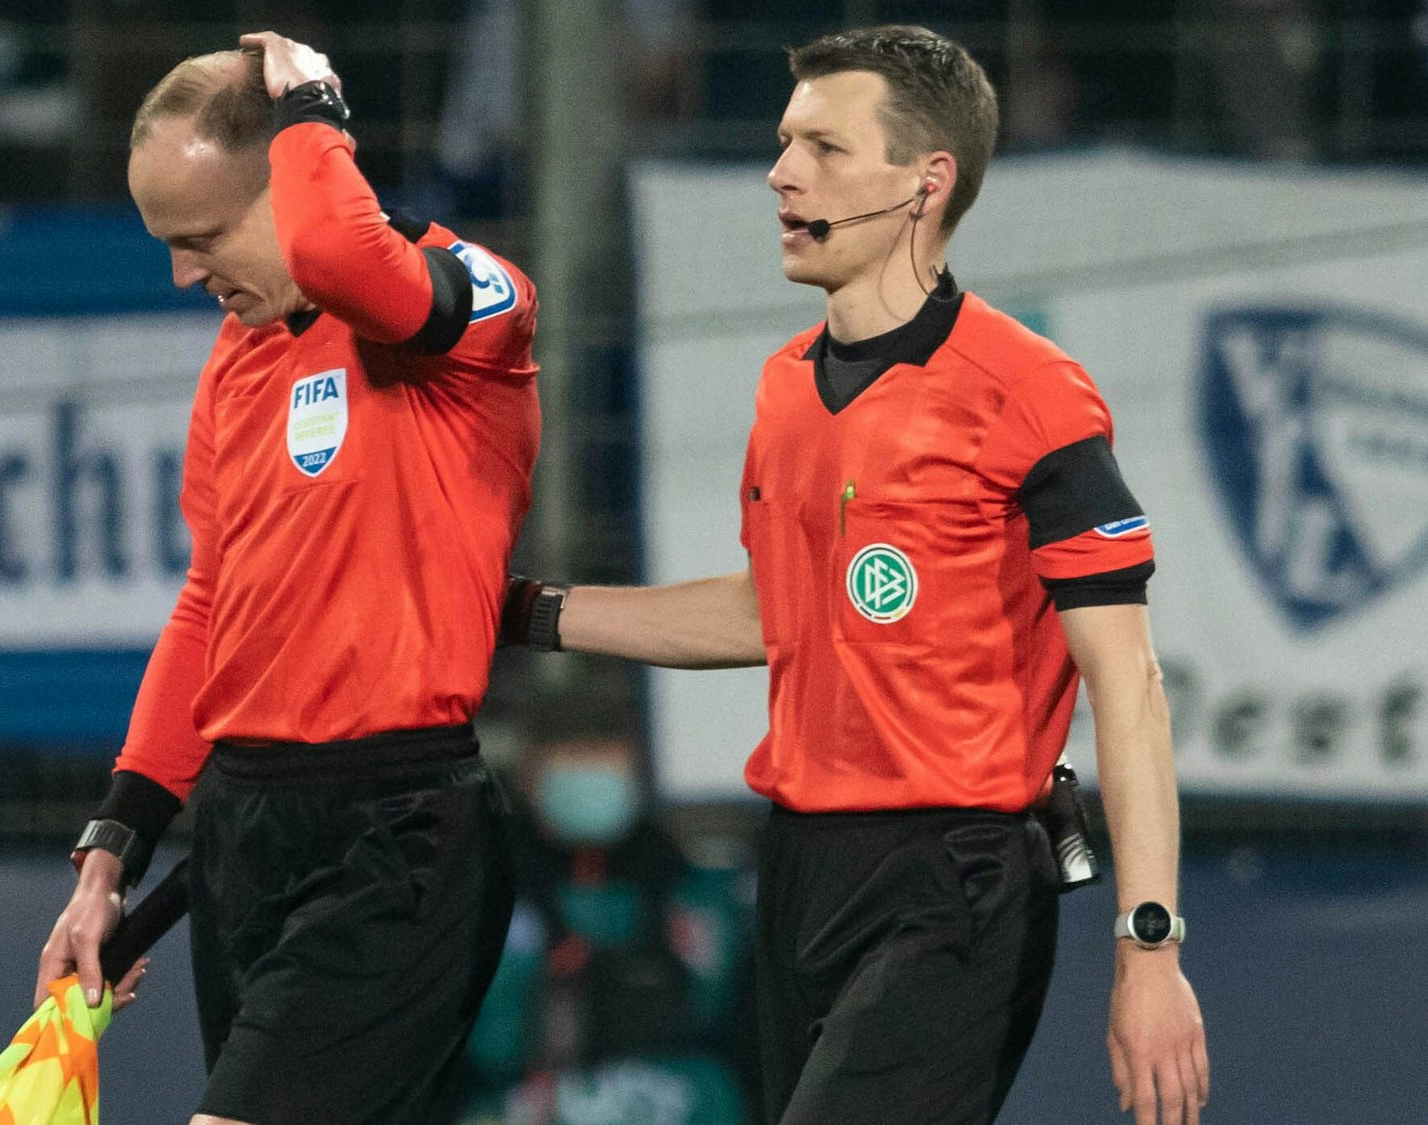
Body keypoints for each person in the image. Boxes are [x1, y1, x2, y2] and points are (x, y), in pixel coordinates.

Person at [501, 25, 1209, 1125]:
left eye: (823, 148)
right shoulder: (784, 387)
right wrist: (528, 615)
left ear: (924, 184)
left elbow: (1129, 688)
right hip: (796, 871)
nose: (781, 173)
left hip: (955, 880)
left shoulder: (1029, 393)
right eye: (784, 144)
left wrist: (1147, 945)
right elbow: (771, 612)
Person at [32, 31, 543, 1125]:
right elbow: (211, 604)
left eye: (203, 235)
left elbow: (351, 261)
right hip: (245, 832)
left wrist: (313, 102)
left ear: (298, 174)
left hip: (396, 838)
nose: (182, 273)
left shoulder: (473, 307)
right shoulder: (238, 361)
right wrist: (109, 851)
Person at [459, 697, 757, 1125]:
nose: (592, 773)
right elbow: (480, 1035)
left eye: (605, 756)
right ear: (530, 775)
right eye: (574, 756)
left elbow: (721, 1009)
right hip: (520, 1099)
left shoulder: (684, 883)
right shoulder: (489, 888)